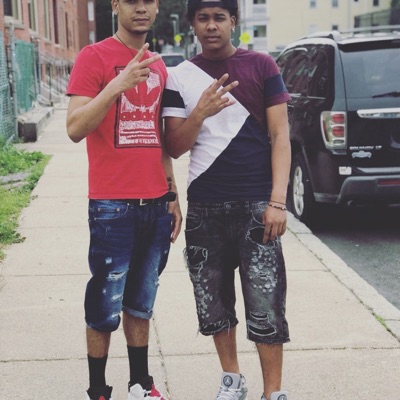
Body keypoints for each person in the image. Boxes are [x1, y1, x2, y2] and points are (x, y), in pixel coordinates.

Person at [161, 1, 291, 400]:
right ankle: (232, 379)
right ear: (192, 24)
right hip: (205, 207)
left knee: (266, 304)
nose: (212, 26)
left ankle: (273, 392)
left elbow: (281, 135)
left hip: (257, 205)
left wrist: (278, 201)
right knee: (213, 304)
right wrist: (199, 113)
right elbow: (174, 146)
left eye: (220, 17)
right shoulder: (180, 75)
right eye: (203, 18)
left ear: (234, 21)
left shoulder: (261, 65)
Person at [66, 0, 182, 399]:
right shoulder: (93, 56)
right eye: (132, 0)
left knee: (141, 301)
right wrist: (118, 84)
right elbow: (75, 128)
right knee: (104, 304)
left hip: (155, 203)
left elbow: (160, 139)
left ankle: (140, 383)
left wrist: (172, 192)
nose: (141, 8)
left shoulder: (160, 66)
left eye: (148, 1)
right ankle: (98, 390)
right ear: (116, 4)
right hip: (111, 205)